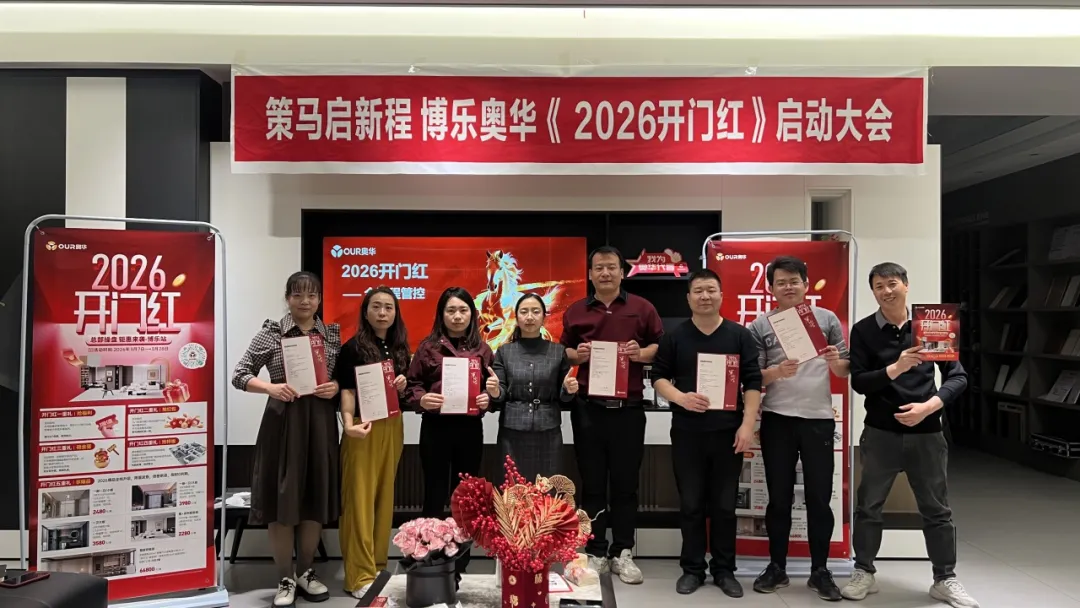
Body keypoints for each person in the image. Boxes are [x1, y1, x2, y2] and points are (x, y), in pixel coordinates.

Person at [842, 263, 978, 608]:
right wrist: (896, 367)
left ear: (905, 285)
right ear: (873, 292)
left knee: (937, 509)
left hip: (927, 433)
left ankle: (944, 578)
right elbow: (860, 382)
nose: (886, 291)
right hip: (880, 433)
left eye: (892, 284)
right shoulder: (864, 331)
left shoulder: (930, 325)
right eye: (878, 286)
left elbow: (958, 377)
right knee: (868, 507)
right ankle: (864, 572)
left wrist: (930, 407)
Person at [231, 271, 341, 607]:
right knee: (282, 501)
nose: (305, 301)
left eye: (312, 295)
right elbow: (240, 374)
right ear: (287, 298)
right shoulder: (272, 332)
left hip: (321, 423)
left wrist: (335, 387)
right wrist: (271, 387)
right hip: (283, 422)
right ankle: (284, 577)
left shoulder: (331, 335)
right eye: (297, 295)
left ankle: (306, 572)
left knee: (314, 498)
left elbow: (344, 380)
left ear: (319, 299)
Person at [651, 268, 762, 598]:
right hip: (688, 433)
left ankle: (725, 570)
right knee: (691, 504)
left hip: (728, 433)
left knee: (725, 506)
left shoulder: (739, 336)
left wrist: (747, 425)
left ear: (721, 295)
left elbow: (753, 381)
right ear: (688, 298)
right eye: (698, 291)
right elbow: (658, 377)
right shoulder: (675, 337)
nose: (705, 296)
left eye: (711, 290)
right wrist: (681, 398)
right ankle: (693, 569)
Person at [561, 245, 664, 584]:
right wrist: (577, 355)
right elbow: (564, 352)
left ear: (622, 272)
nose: (605, 273)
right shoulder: (576, 311)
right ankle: (594, 551)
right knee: (591, 484)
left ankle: (623, 552)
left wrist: (641, 353)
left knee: (625, 484)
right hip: (588, 410)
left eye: (611, 267)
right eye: (598, 268)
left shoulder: (643, 308)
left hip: (628, 410)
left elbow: (659, 348)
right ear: (590, 274)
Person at [748, 256, 848, 602]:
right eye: (781, 282)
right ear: (771, 288)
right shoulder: (760, 325)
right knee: (779, 498)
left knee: (820, 498)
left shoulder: (827, 319)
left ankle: (820, 570)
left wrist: (836, 361)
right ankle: (777, 566)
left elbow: (845, 369)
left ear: (806, 284)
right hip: (777, 418)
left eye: (794, 281)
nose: (788, 287)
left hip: (818, 419)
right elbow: (754, 376)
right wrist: (777, 372)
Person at [405, 286, 493, 578]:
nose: (457, 316)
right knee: (434, 492)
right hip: (436, 428)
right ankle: (430, 562)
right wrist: (421, 399)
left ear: (472, 314)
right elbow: (412, 385)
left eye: (463, 310)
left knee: (465, 497)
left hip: (469, 429)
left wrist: (488, 398)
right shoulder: (427, 347)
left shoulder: (483, 349)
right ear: (441, 315)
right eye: (451, 310)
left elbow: (493, 388)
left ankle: (460, 564)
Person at [336, 287, 410, 599]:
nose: (382, 313)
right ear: (365, 312)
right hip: (362, 427)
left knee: (383, 497)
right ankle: (358, 576)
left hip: (392, 425)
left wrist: (403, 384)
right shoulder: (353, 347)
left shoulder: (399, 347)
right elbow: (348, 391)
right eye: (376, 306)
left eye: (388, 307)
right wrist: (348, 424)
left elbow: (402, 390)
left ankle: (378, 568)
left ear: (395, 313)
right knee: (359, 501)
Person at [487, 293, 579, 483]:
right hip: (512, 430)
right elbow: (500, 393)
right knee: (512, 486)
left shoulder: (557, 351)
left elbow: (563, 397)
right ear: (516, 317)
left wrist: (568, 390)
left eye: (535, 312)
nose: (530, 317)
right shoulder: (505, 351)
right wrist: (495, 391)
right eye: (524, 312)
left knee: (547, 486)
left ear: (544, 317)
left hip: (548, 429)